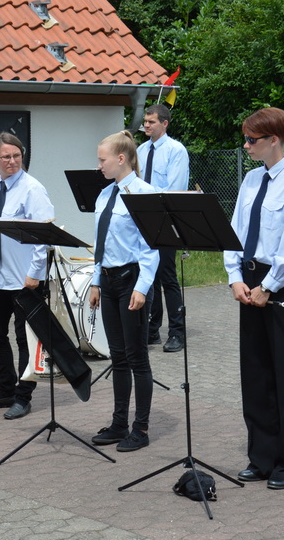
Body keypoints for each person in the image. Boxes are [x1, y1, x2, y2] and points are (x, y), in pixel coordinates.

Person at [223, 108, 284, 490]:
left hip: (283, 284)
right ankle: (261, 457)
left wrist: (269, 285)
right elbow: (235, 231)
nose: (246, 146)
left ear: (274, 139)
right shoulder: (251, 180)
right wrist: (235, 277)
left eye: (252, 140)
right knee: (256, 374)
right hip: (250, 281)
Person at [0, 133, 55, 420]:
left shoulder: (33, 189)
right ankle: (5, 390)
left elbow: (43, 236)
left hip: (24, 279)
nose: (12, 161)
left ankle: (23, 396)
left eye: (17, 155)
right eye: (6, 157)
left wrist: (34, 274)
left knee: (24, 339)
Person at [87, 130, 160, 452]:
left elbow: (151, 247)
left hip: (132, 280)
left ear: (121, 158)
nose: (99, 165)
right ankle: (119, 423)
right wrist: (96, 281)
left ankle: (140, 429)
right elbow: (101, 243)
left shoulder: (145, 194)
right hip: (109, 281)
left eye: (102, 160)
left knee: (136, 357)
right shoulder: (105, 195)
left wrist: (142, 288)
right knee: (117, 356)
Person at [137, 104, 190, 352]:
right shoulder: (140, 150)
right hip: (143, 220)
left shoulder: (175, 150)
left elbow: (174, 188)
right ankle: (152, 329)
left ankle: (177, 332)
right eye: (145, 121)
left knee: (167, 277)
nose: (146, 125)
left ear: (165, 124)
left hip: (166, 219)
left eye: (152, 122)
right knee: (149, 277)